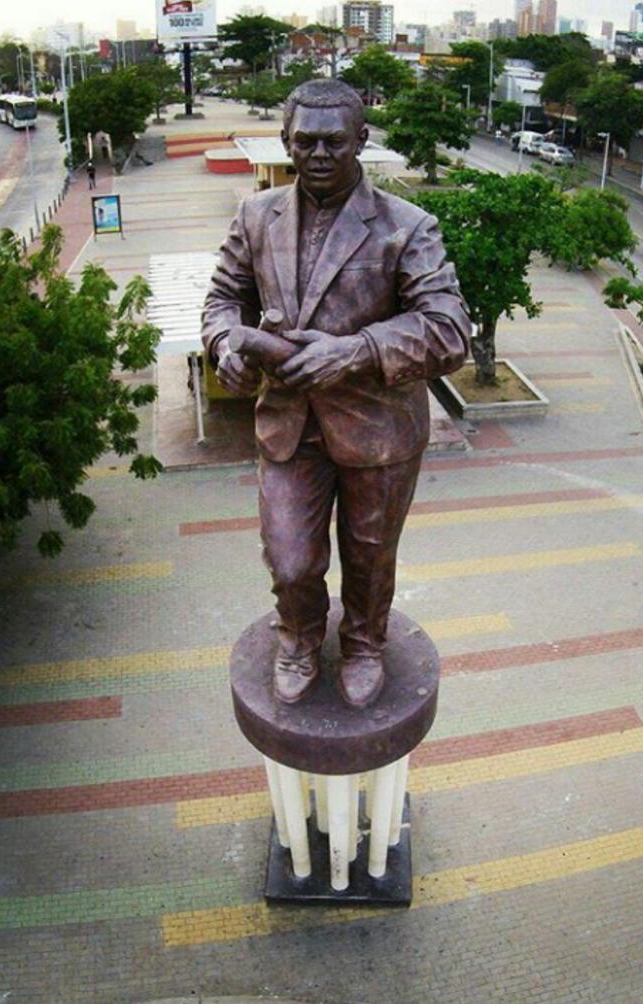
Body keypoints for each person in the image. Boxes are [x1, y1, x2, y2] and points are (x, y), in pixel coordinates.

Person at [202, 79, 470, 708]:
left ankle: (364, 643)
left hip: (379, 427)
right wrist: (225, 346)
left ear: (361, 140)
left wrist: (355, 351)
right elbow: (222, 299)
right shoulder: (256, 216)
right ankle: (298, 636)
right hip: (289, 421)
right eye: (304, 142)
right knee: (290, 560)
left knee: (370, 556)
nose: (318, 154)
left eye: (333, 142)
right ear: (286, 142)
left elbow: (449, 329)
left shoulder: (407, 227)